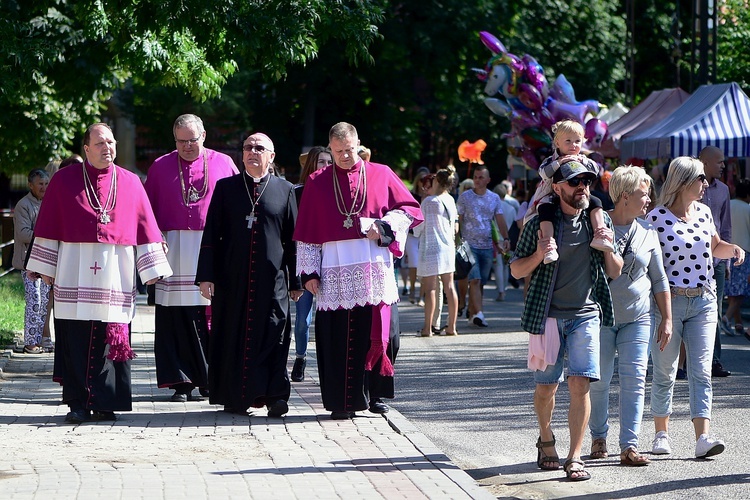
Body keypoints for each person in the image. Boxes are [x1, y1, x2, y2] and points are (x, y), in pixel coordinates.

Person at [25, 122, 172, 424]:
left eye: (111, 142)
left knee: (110, 339)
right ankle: (78, 402)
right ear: (86, 149)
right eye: (100, 143)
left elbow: (146, 227)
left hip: (115, 273)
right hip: (73, 271)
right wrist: (46, 267)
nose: (107, 148)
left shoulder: (131, 182)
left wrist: (153, 268)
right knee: (76, 339)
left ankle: (107, 402)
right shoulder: (63, 181)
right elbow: (49, 227)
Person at [294, 121, 422, 420]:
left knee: (380, 334)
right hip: (334, 270)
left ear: (358, 145)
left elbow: (410, 210)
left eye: (349, 150)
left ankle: (375, 395)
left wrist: (385, 225)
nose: (344, 157)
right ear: (331, 149)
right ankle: (341, 400)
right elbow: (307, 233)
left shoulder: (381, 173)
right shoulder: (317, 180)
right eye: (338, 152)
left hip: (373, 268)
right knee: (338, 337)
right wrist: (309, 273)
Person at [510, 157, 622, 481]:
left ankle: (574, 457)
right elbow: (516, 269)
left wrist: (609, 249)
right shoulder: (539, 224)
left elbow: (614, 272)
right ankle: (546, 438)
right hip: (548, 317)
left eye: (586, 182)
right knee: (546, 388)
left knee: (580, 383)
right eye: (574, 182)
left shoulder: (597, 222)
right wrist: (538, 254)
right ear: (557, 187)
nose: (582, 187)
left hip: (586, 314)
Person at [196, 132, 301, 417]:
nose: (253, 152)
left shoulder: (285, 189)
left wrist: (297, 281)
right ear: (241, 154)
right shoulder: (226, 188)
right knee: (233, 334)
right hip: (232, 279)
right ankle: (235, 395)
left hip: (273, 280)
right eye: (248, 147)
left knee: (275, 333)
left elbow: (293, 239)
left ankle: (276, 395)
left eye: (259, 148)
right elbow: (211, 234)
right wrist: (206, 275)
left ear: (272, 156)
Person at [646, 156, 744, 459]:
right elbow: (649, 264)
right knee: (666, 371)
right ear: (683, 181)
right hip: (668, 304)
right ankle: (661, 433)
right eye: (700, 178)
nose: (706, 184)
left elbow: (714, 246)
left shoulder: (703, 212)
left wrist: (734, 250)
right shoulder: (656, 218)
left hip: (703, 300)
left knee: (701, 370)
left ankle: (703, 436)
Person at [144, 114, 238, 402]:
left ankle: (211, 379)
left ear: (204, 136)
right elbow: (147, 214)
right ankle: (180, 381)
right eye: (181, 141)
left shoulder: (224, 163)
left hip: (212, 247)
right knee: (175, 318)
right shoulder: (160, 167)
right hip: (173, 248)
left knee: (210, 316)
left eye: (192, 140)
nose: (187, 146)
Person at [587, 166, 672, 467]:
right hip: (601, 316)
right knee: (599, 380)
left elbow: (659, 279)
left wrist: (668, 318)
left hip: (639, 317)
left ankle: (629, 446)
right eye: (643, 193)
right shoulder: (598, 224)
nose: (649, 199)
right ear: (624, 196)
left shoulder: (648, 231)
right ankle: (598, 436)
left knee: (635, 379)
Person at [526, 120, 611, 264]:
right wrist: (559, 162)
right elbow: (544, 173)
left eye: (577, 141)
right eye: (568, 141)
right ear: (557, 143)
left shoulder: (583, 158)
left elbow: (596, 171)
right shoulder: (551, 160)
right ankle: (549, 246)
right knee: (545, 209)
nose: (573, 145)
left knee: (596, 201)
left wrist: (583, 162)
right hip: (550, 195)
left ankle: (600, 234)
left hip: (577, 195)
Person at [291, 146, 333, 382]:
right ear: (311, 165)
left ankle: (329, 364)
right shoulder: (297, 192)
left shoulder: (338, 192)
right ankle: (300, 357)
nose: (326, 166)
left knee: (330, 318)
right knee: (302, 318)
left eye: (329, 162)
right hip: (304, 262)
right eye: (321, 162)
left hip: (331, 261)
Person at [456, 165, 509, 327]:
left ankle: (473, 313)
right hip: (468, 245)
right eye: (476, 177)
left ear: (488, 180)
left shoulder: (494, 198)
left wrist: (505, 238)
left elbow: (499, 219)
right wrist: (455, 237)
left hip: (486, 246)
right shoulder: (465, 197)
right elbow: (459, 218)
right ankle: (479, 313)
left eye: (481, 177)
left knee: (481, 282)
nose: (477, 180)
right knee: (475, 279)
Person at [698, 146, 732, 377]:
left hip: (716, 261)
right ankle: (688, 360)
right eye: (719, 162)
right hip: (689, 259)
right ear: (705, 162)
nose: (723, 166)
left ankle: (713, 360)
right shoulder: (689, 186)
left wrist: (727, 261)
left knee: (715, 311)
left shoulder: (724, 191)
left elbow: (726, 226)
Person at [414, 166, 459, 337]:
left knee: (430, 288)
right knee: (449, 287)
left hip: (431, 247)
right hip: (448, 247)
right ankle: (452, 326)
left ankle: (427, 328)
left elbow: (419, 227)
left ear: (437, 182)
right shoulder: (450, 200)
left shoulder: (429, 202)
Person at [13, 169, 52, 354]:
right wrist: (46, 237)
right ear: (30, 185)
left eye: (46, 183)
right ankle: (30, 343)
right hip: (27, 261)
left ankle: (40, 340)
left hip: (45, 261)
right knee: (34, 301)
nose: (44, 187)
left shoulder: (49, 203)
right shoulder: (23, 205)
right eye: (40, 184)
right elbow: (23, 233)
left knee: (44, 302)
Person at [722, 178, 750, 339]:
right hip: (744, 252)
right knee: (741, 291)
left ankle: (738, 323)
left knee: (733, 290)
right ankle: (727, 317)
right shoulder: (747, 209)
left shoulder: (729, 205)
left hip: (725, 250)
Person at [492, 183, 517, 301]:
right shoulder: (511, 208)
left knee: (498, 266)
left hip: (496, 239)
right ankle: (504, 290)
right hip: (508, 238)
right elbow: (515, 223)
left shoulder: (494, 207)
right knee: (506, 266)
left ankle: (500, 291)